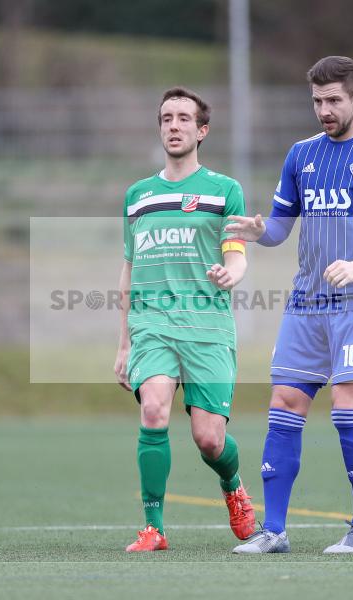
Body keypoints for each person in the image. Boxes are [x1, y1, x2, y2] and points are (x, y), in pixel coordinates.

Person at [226, 56, 353, 554]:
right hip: (306, 303)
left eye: (334, 100)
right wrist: (258, 232)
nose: (324, 110)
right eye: (317, 101)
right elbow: (281, 227)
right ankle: (273, 531)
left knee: (346, 409)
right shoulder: (301, 155)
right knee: (284, 405)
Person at [114, 86, 256, 552]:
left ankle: (233, 485)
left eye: (183, 118)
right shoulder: (138, 196)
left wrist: (229, 272)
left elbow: (237, 254)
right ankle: (153, 528)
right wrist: (123, 343)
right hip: (152, 326)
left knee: (209, 440)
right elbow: (129, 270)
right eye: (166, 118)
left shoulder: (224, 191)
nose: (173, 126)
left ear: (202, 130)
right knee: (153, 409)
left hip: (207, 328)